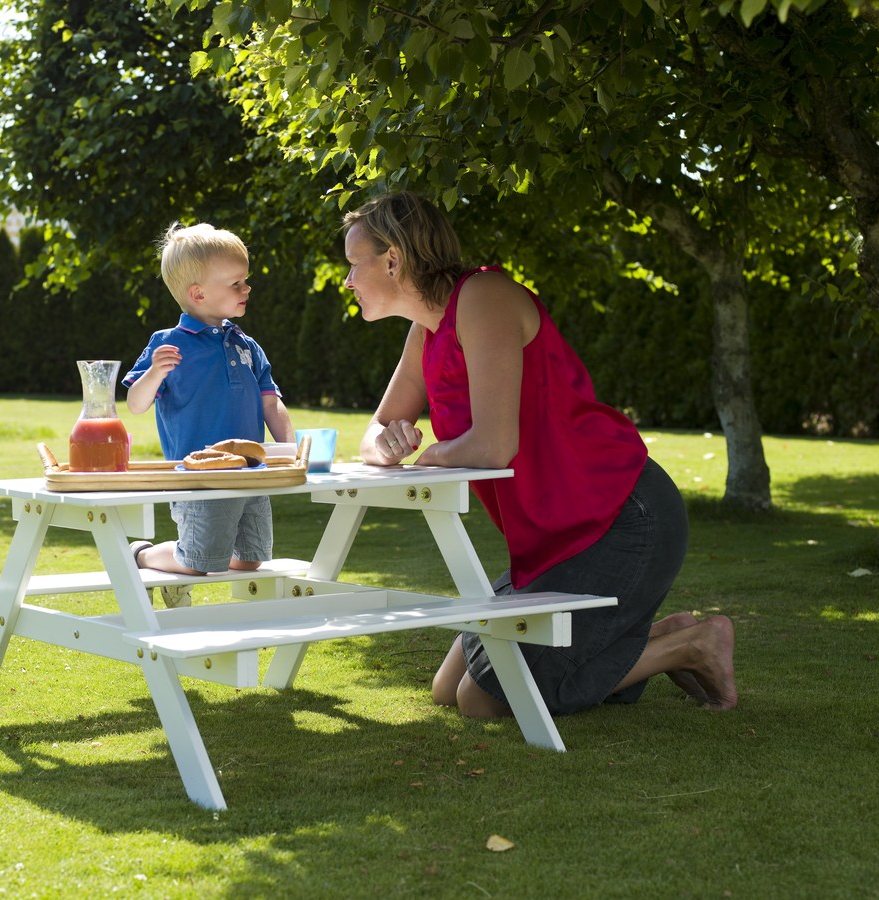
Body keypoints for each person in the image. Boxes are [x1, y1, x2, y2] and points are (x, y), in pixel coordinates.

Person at [341, 192, 737, 716]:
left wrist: (426, 456)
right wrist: (386, 446)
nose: (347, 281)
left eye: (352, 264)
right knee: (447, 690)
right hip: (553, 538)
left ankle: (689, 647)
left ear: (392, 259)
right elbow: (376, 430)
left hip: (621, 517)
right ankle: (670, 634)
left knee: (484, 699)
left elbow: (493, 444)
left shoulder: (485, 297)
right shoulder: (427, 330)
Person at [123, 222, 295, 607]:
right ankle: (142, 555)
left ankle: (179, 561)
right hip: (197, 478)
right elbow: (136, 403)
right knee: (200, 563)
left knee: (250, 560)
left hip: (251, 474)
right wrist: (153, 374)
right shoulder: (167, 344)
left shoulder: (248, 345)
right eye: (236, 283)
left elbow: (271, 402)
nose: (246, 288)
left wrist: (290, 447)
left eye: (245, 280)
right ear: (198, 293)